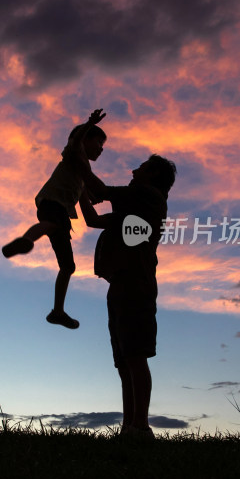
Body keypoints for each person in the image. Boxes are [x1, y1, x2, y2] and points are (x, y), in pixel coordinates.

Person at [78, 154, 177, 439]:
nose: (135, 169)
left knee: (135, 354)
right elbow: (93, 219)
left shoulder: (146, 195)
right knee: (124, 359)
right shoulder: (133, 207)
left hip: (136, 282)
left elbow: (100, 190)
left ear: (154, 175)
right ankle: (129, 427)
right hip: (122, 282)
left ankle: (141, 427)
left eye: (143, 167)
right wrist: (80, 192)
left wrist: (77, 162)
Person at [2, 108, 108, 329]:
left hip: (61, 214)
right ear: (85, 140)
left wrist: (97, 198)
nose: (101, 149)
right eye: (99, 143)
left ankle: (57, 311)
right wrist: (89, 123)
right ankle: (27, 240)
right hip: (51, 203)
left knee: (68, 266)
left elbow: (88, 196)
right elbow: (75, 140)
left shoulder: (82, 173)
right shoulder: (73, 154)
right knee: (50, 225)